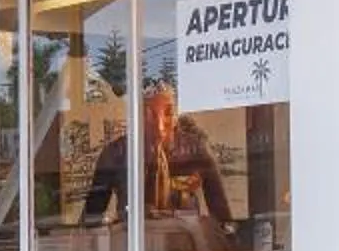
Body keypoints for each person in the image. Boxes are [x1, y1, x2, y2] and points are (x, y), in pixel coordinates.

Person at [77, 84, 235, 235]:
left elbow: (221, 215)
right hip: (133, 246)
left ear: (176, 117)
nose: (159, 125)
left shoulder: (195, 150)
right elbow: (91, 216)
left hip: (184, 244)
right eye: (150, 115)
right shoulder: (116, 153)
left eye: (168, 113)